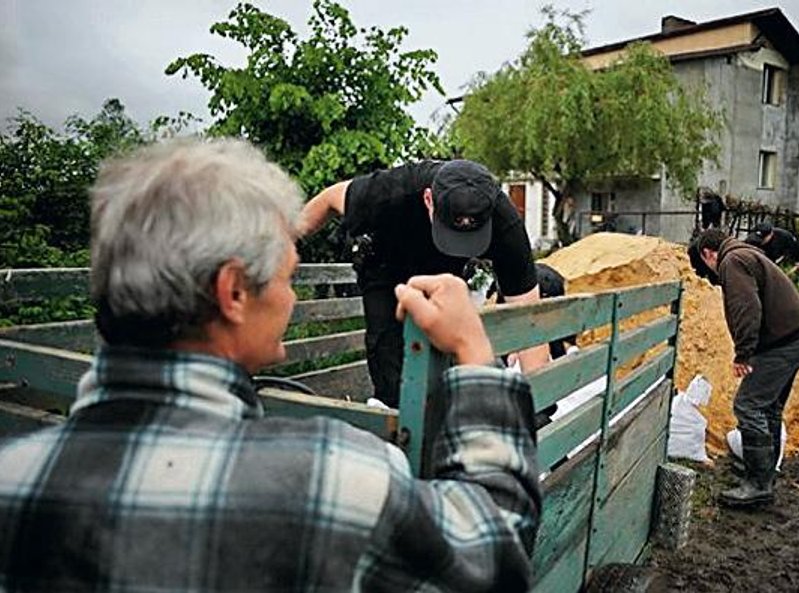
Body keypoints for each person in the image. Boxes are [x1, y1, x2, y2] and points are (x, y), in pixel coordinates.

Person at [0, 139, 541, 592]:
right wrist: (475, 354)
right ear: (233, 292)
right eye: (284, 278)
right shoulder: (332, 477)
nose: (289, 299)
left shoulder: (13, 477)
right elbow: (493, 558)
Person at [297, 159, 547, 408]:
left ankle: (436, 415)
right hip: (387, 265)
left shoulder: (505, 225)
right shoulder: (393, 190)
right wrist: (282, 246)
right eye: (454, 232)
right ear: (428, 200)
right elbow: (329, 198)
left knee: (443, 354)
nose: (461, 241)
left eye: (469, 237)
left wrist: (540, 406)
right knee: (390, 363)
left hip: (445, 273)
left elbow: (531, 317)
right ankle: (393, 413)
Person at [692, 229, 799, 508]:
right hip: (797, 337)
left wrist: (744, 354)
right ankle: (764, 474)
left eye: (706, 264)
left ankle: (758, 484)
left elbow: (747, 307)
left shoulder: (731, 261)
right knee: (768, 406)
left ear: (708, 254)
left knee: (748, 405)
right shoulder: (748, 254)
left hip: (785, 342)